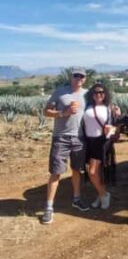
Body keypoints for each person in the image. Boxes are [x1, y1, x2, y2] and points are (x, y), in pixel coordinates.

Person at [41, 68, 89, 224]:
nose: (79, 78)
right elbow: (46, 111)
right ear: (71, 77)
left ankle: (77, 199)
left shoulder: (87, 95)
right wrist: (63, 113)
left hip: (79, 138)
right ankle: (48, 208)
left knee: (77, 170)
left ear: (85, 79)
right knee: (56, 172)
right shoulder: (60, 92)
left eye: (82, 76)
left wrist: (114, 110)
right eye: (76, 75)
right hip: (60, 137)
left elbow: (98, 108)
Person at [83, 82, 117, 210]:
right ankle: (100, 194)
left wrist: (111, 130)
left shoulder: (109, 108)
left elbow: (114, 126)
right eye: (96, 92)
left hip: (101, 142)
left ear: (105, 94)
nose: (99, 94)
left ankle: (104, 195)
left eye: (101, 92)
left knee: (92, 172)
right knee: (96, 173)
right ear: (92, 94)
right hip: (88, 142)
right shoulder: (87, 107)